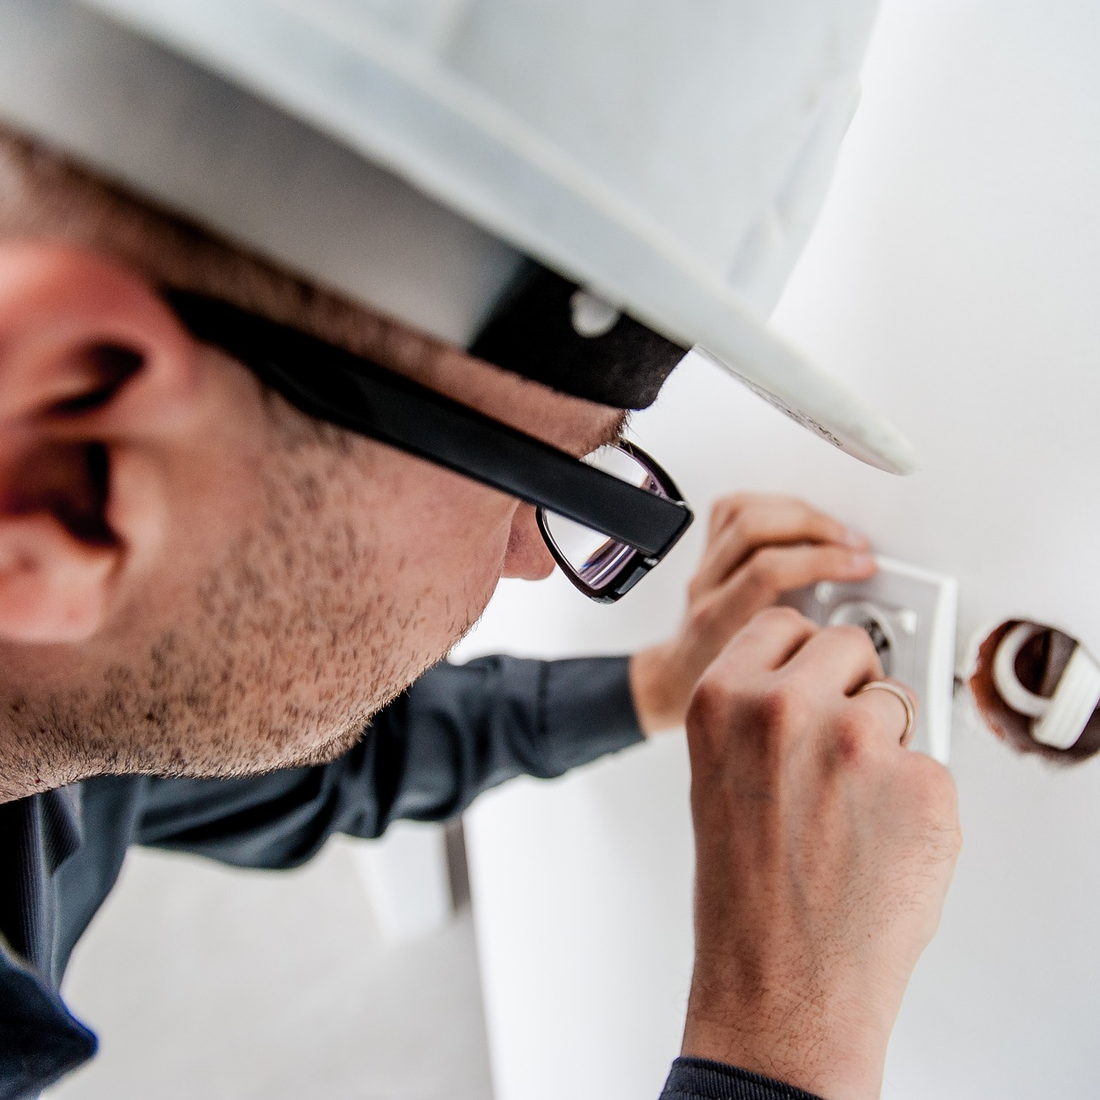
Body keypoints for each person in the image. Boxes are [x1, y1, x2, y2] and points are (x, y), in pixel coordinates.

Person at [0, 3, 961, 1099]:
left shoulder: (66, 730)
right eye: (530, 481)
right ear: (69, 460)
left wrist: (655, 682)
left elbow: (331, 759)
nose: (533, 561)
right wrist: (780, 1053)